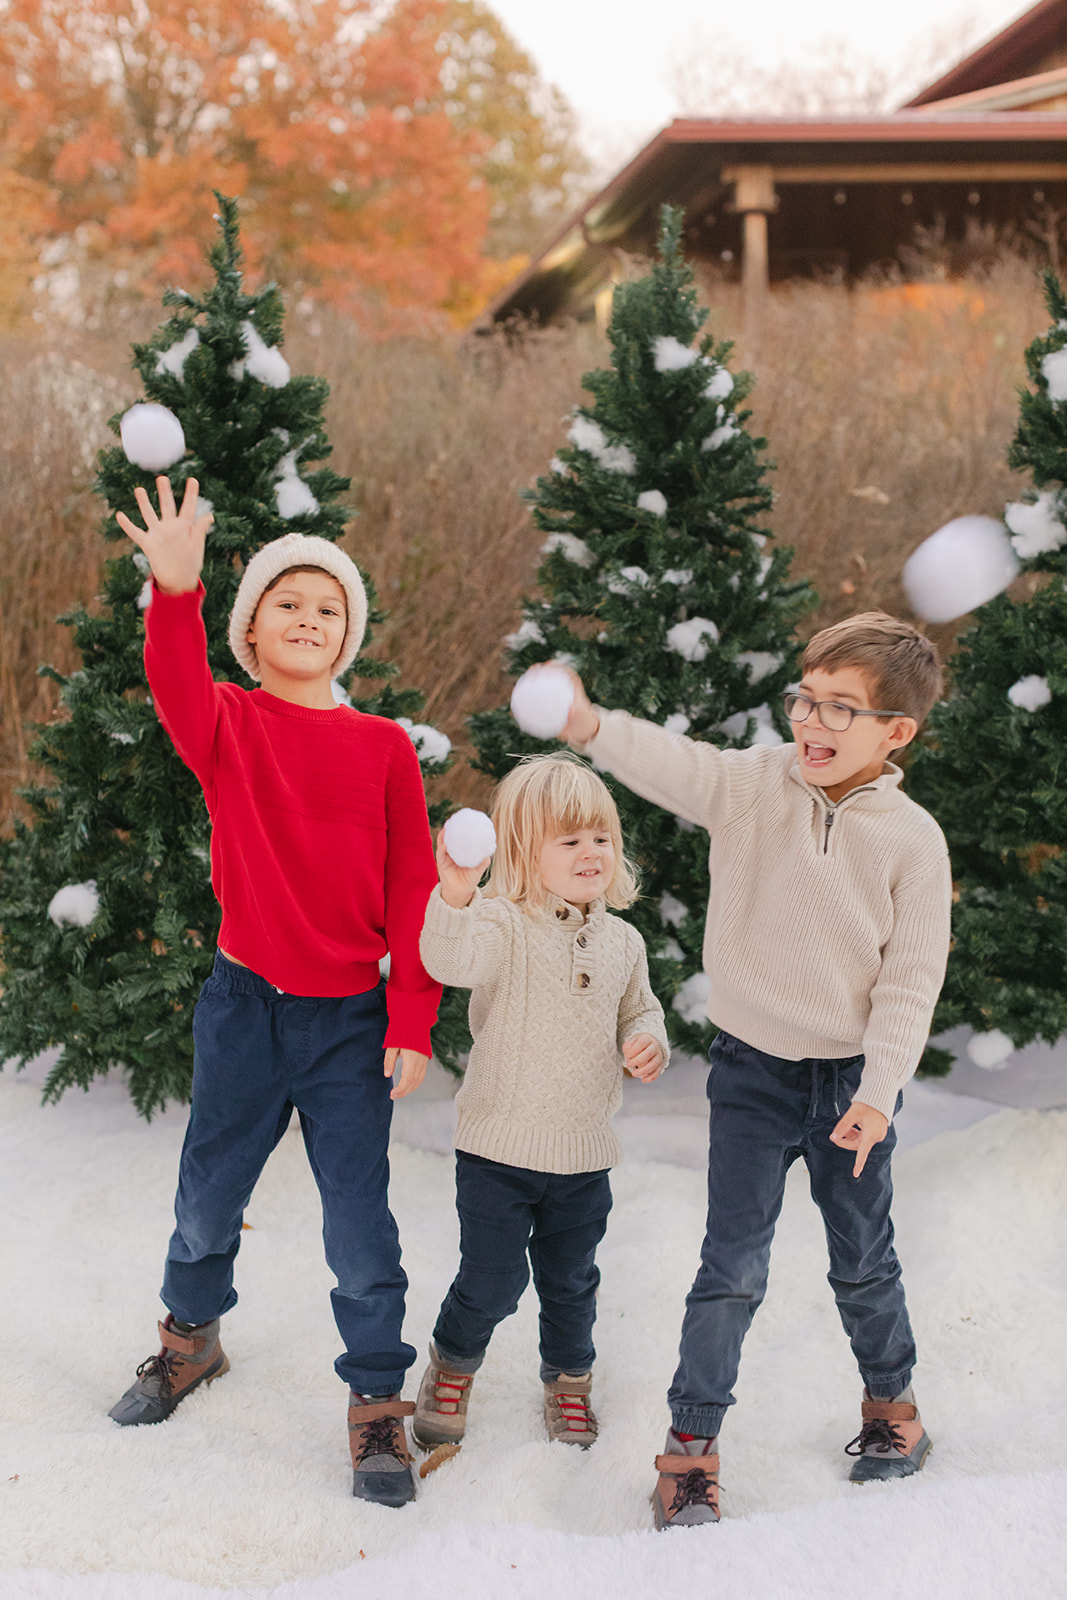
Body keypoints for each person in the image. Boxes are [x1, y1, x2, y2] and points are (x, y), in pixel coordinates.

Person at [553, 612, 951, 1528]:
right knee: (729, 1264)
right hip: (750, 1076)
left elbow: (908, 980)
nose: (811, 721)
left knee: (861, 1262)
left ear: (896, 732)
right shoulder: (753, 785)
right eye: (805, 697)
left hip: (851, 1084)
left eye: (839, 709)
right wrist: (590, 726)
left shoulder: (911, 840)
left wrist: (878, 1095)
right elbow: (676, 764)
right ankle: (690, 1447)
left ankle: (892, 1409)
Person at [108, 476, 441, 1509]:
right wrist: (176, 592)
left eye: (328, 607)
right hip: (244, 1006)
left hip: (346, 1021)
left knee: (358, 1222)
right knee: (209, 1191)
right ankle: (187, 1339)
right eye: (287, 603)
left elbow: (413, 888)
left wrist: (411, 1017)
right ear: (252, 629)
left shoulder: (382, 746)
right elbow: (173, 679)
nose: (308, 617)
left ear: (348, 636)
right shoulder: (229, 727)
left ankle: (377, 1401)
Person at [414, 754, 669, 1451]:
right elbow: (449, 962)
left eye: (600, 838)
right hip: (498, 1148)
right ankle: (451, 1365)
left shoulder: (623, 941)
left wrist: (647, 1040)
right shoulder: (501, 923)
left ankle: (568, 1383)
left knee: (571, 1282)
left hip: (582, 1153)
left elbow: (638, 1011)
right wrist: (458, 897)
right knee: (492, 1280)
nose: (590, 853)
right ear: (525, 853)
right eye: (568, 840)